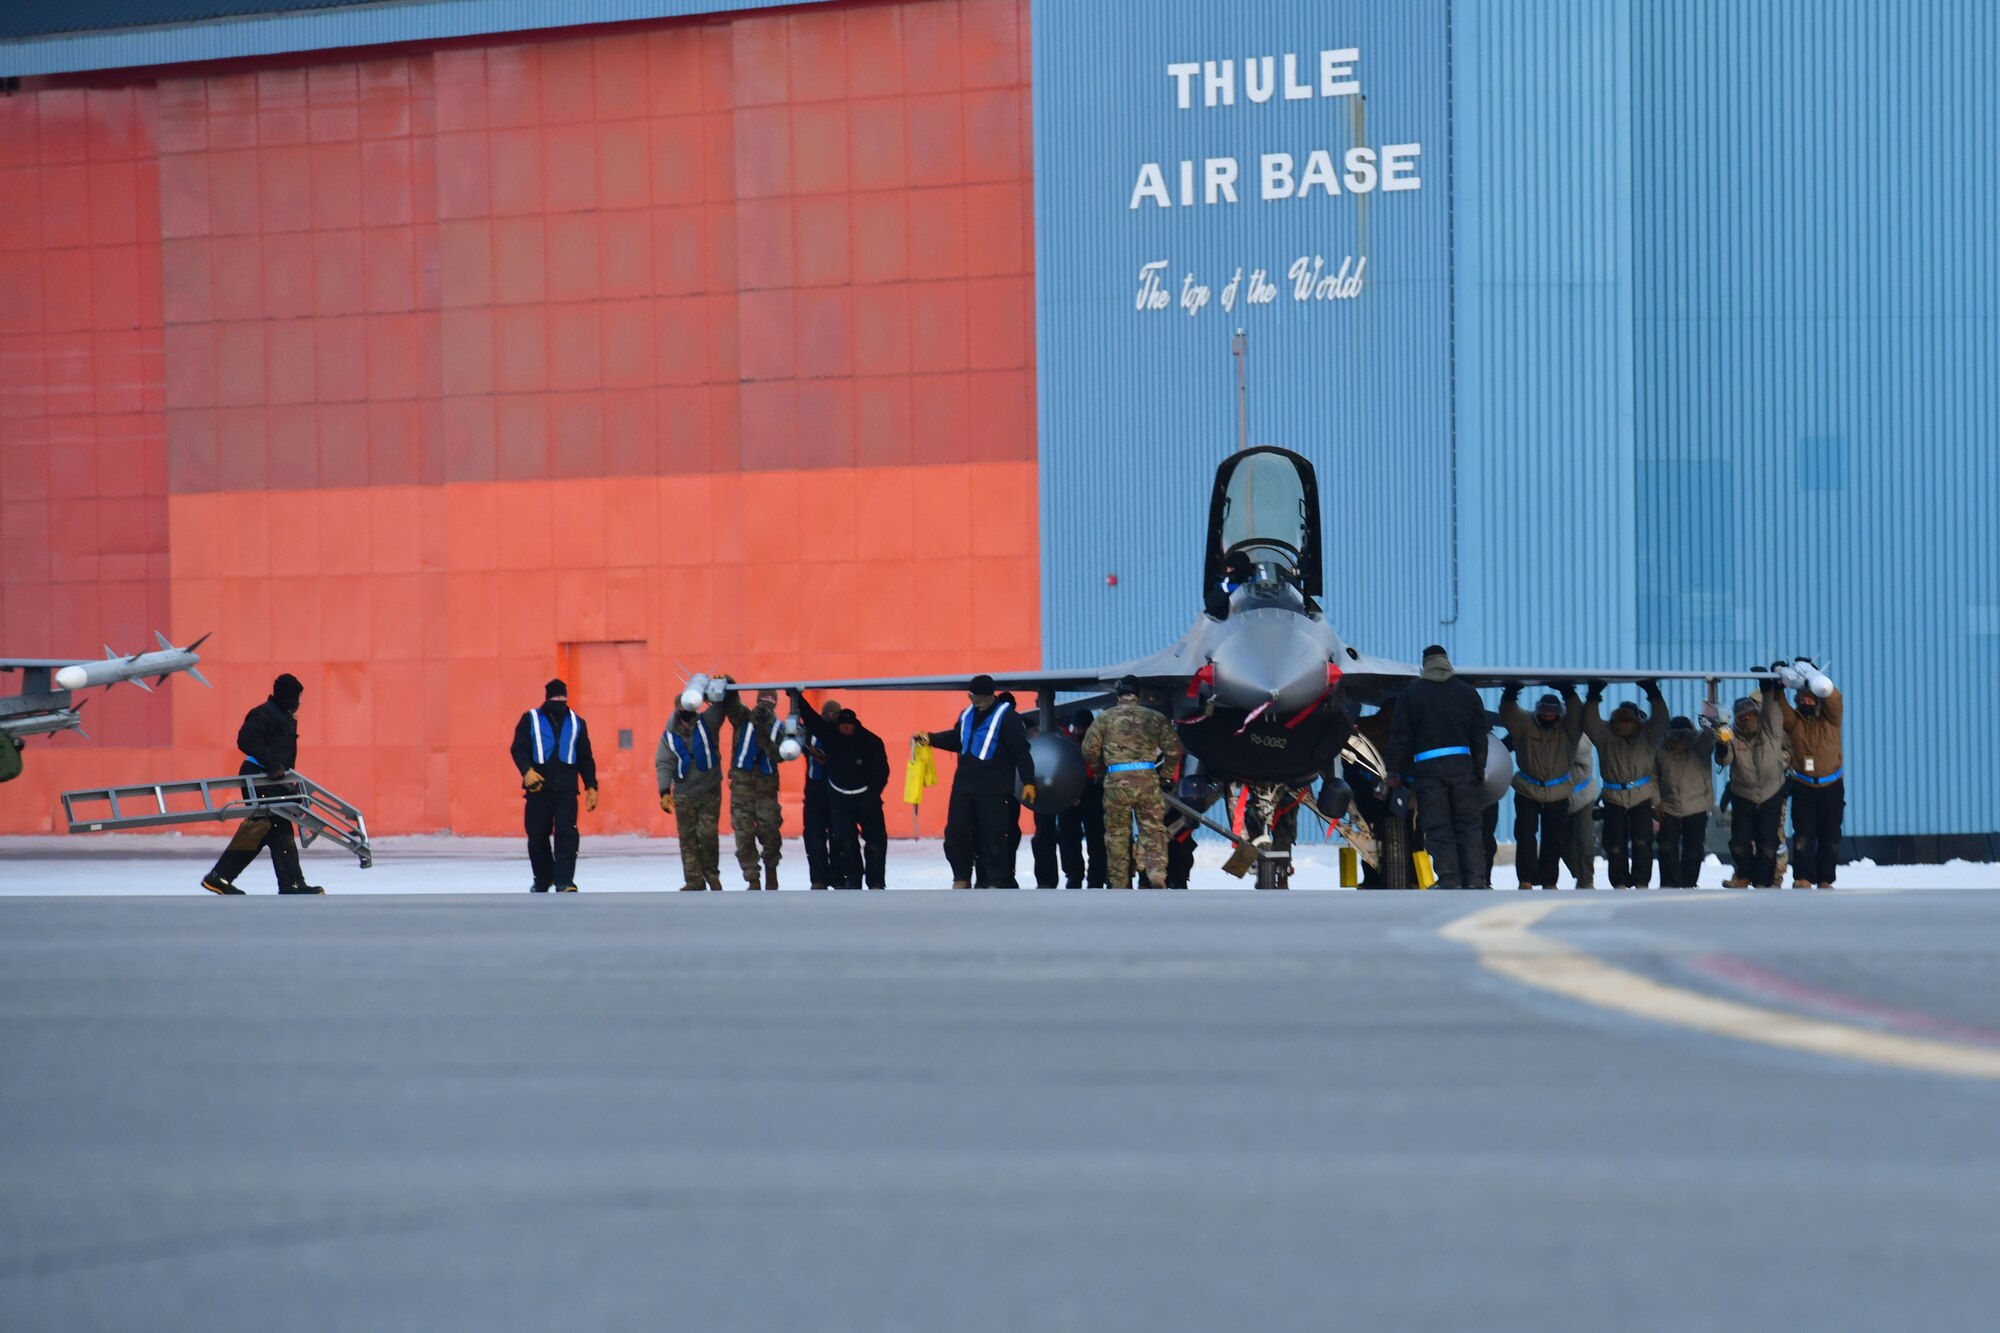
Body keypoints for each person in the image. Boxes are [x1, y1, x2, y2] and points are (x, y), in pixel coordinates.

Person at [200, 673, 322, 895]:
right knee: (278, 826)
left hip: (271, 779)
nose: (299, 702)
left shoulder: (281, 716)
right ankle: (291, 884)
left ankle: (220, 877)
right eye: (297, 696)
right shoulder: (265, 714)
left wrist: (289, 785)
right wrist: (272, 764)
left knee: (262, 829)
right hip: (259, 776)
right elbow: (246, 739)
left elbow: (281, 760)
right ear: (287, 696)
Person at [1385, 646, 1489, 889]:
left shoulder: (1412, 694)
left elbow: (1400, 736)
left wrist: (1393, 771)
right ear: (1446, 662)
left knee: (1438, 826)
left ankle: (1449, 879)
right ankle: (1475, 879)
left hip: (1428, 773)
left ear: (1425, 664)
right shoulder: (1467, 692)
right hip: (1462, 769)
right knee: (1468, 825)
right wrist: (1479, 769)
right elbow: (1480, 736)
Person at [921, 675, 1036, 888]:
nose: (974, 700)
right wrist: (932, 739)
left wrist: (1028, 781)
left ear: (989, 696)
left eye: (978, 697)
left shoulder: (1008, 718)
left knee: (992, 837)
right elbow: (958, 738)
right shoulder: (966, 715)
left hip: (994, 789)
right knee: (956, 833)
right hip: (964, 787)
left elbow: (1021, 751)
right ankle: (961, 876)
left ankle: (993, 880)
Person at [1081, 676, 1184, 891]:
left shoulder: (1105, 719)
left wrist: (1101, 771)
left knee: (1117, 835)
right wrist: (1165, 775)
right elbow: (1174, 750)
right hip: (1148, 782)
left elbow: (1089, 749)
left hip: (1116, 785)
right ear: (1138, 693)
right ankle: (1156, 875)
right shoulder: (1154, 718)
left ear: (1118, 694)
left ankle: (1119, 883)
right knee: (1153, 831)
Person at [792, 691, 889, 889]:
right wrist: (798, 699)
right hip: (841, 801)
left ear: (855, 725)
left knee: (875, 843)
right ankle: (852, 882)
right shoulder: (831, 737)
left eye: (848, 724)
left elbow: (882, 771)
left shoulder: (871, 741)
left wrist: (872, 795)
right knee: (846, 844)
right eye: (841, 724)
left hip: (867, 800)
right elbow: (813, 720)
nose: (845, 728)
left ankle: (876, 883)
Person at [509, 678, 599, 892]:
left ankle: (564, 880)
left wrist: (592, 786)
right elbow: (519, 748)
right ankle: (542, 878)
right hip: (537, 790)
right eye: (555, 698)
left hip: (567, 790)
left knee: (567, 835)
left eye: (562, 698)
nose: (559, 701)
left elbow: (585, 757)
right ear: (548, 698)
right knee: (537, 835)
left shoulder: (577, 722)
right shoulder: (530, 719)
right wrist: (527, 771)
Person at [1499, 684, 1585, 889]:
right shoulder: (1525, 724)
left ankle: (1549, 880)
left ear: (1559, 713)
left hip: (1558, 790)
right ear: (1537, 711)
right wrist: (1510, 693)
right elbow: (1509, 713)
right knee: (1525, 834)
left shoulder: (1569, 729)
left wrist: (1569, 692)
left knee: (1554, 838)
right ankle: (1526, 879)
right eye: (1544, 713)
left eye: (1552, 714)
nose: (1547, 717)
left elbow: (1577, 713)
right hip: (1527, 788)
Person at [1583, 681, 1667, 888]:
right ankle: (1619, 882)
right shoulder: (1605, 736)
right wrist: (1593, 695)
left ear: (1636, 720)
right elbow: (1590, 721)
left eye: (1629, 719)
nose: (1624, 723)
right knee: (1615, 845)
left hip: (1641, 796)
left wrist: (1652, 692)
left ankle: (1641, 882)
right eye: (1620, 719)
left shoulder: (1647, 735)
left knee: (1642, 842)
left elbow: (1661, 719)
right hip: (1613, 797)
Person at [657, 676, 732, 891]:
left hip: (709, 789)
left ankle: (712, 876)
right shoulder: (669, 736)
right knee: (688, 838)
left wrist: (723, 683)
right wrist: (664, 791)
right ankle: (693, 880)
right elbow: (664, 762)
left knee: (707, 834)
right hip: (683, 792)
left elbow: (720, 708)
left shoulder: (707, 723)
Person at [1773, 669, 1844, 888]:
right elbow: (1783, 710)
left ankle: (1825, 879)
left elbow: (1834, 699)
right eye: (1802, 698)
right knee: (1803, 834)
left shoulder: (1831, 719)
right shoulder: (1795, 722)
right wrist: (1778, 688)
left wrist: (1815, 677)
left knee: (1830, 835)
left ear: (1817, 700)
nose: (1806, 702)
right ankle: (1803, 876)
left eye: (1810, 698)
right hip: (1803, 786)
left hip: (1831, 785)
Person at [1714, 689, 1786, 887]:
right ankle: (1743, 875)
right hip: (1743, 794)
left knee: (1768, 843)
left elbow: (1773, 711)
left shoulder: (1770, 729)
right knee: (1739, 842)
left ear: (1757, 713)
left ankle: (1764, 882)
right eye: (1741, 716)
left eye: (1750, 714)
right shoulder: (1732, 735)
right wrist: (1721, 745)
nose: (1746, 719)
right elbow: (1724, 759)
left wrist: (1768, 686)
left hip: (1771, 792)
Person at [725, 688, 785, 889]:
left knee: (770, 832)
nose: (765, 705)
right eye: (763, 701)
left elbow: (780, 755)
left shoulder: (779, 727)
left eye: (770, 702)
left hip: (766, 789)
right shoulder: (743, 718)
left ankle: (771, 868)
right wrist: (729, 685)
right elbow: (732, 705)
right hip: (742, 786)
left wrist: (765, 734)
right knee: (743, 834)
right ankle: (752, 878)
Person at [1656, 712, 1717, 888]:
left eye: (1684, 734)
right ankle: (1669, 883)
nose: (1679, 739)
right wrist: (1655, 801)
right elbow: (1652, 775)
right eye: (1675, 735)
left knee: (1694, 847)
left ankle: (1689, 883)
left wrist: (1711, 722)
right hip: (1669, 805)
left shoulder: (1701, 744)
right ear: (1668, 733)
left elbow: (1712, 736)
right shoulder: (1661, 750)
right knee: (1666, 844)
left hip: (1697, 803)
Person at [1053, 707, 1106, 888]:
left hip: (1091, 790)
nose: (1080, 731)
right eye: (1078, 727)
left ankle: (1093, 877)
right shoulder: (1067, 739)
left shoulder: (1074, 740)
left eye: (1084, 728)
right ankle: (1076, 875)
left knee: (1095, 837)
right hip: (1073, 790)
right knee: (1070, 836)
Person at [797, 697, 842, 890]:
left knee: (838, 838)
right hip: (814, 793)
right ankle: (818, 879)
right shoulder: (811, 733)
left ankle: (839, 878)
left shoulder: (841, 735)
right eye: (826, 714)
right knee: (814, 838)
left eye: (834, 715)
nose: (829, 717)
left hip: (836, 793)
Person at [1562, 734, 1599, 889]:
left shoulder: (1580, 733)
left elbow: (1581, 751)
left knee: (1584, 839)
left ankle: (1586, 879)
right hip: (1558, 794)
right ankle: (1578, 872)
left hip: (1583, 794)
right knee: (1560, 842)